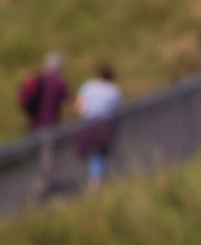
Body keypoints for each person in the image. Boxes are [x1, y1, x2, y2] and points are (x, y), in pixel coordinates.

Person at [18, 51, 70, 191]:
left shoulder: (39, 79)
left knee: (38, 152)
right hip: (50, 123)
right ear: (59, 68)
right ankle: (45, 183)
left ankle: (38, 179)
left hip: (35, 122)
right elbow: (67, 107)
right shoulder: (60, 83)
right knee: (48, 154)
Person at [72, 63, 123, 189]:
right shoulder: (114, 90)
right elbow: (118, 108)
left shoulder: (89, 86)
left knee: (87, 149)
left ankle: (93, 178)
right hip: (106, 123)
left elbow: (79, 105)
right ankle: (96, 180)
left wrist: (85, 112)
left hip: (90, 121)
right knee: (100, 151)